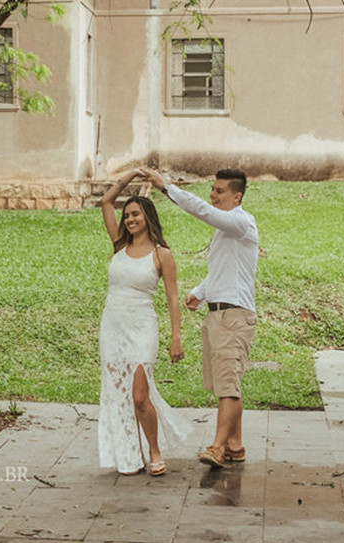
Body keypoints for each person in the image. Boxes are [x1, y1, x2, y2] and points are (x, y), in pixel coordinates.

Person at [142, 167, 259, 469]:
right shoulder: (227, 231)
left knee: (228, 386)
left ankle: (218, 448)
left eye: (220, 191)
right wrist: (200, 292)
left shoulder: (240, 222)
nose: (213, 195)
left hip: (234, 316)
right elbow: (224, 270)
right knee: (228, 383)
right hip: (220, 314)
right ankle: (235, 445)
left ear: (237, 196)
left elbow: (203, 211)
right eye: (213, 189)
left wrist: (166, 187)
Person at [97, 168, 186, 477]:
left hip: (142, 327)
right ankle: (128, 454)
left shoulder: (162, 254)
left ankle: (155, 450)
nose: (129, 219)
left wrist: (176, 337)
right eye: (127, 216)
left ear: (147, 216)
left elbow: (173, 298)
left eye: (135, 214)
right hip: (113, 326)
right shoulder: (120, 245)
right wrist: (131, 175)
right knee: (117, 394)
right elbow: (106, 202)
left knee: (139, 396)